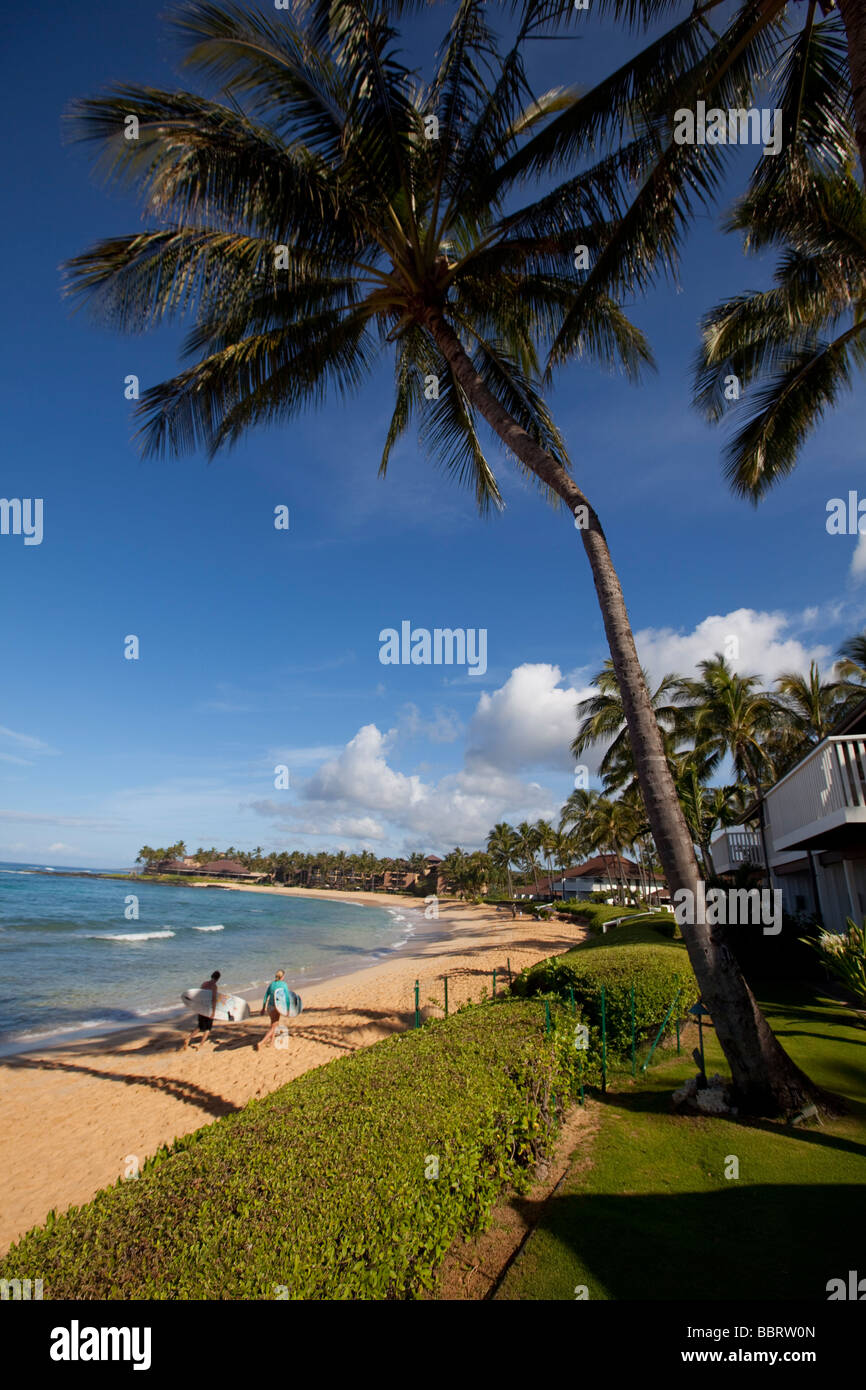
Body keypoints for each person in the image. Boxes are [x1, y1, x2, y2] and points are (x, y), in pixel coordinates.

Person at [183, 971, 221, 1051]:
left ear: (212, 976)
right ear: (218, 978)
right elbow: (214, 999)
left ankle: (188, 1038)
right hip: (208, 1009)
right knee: (208, 1029)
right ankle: (200, 1046)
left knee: (200, 1026)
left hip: (201, 1008)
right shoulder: (214, 986)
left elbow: (199, 995)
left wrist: (197, 1007)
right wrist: (214, 1011)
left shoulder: (204, 984)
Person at [257, 969, 289, 1050]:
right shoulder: (284, 985)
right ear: (282, 976)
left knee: (273, 1024)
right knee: (274, 1026)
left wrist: (263, 1008)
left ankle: (272, 1042)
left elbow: (265, 997)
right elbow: (287, 997)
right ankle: (261, 1042)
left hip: (269, 1007)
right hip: (277, 1007)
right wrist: (288, 1008)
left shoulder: (271, 984)